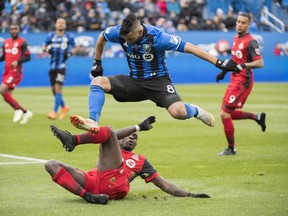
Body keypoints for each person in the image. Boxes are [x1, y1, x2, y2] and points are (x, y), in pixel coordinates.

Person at [69, 14, 239, 134]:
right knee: (97, 82)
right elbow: (101, 37)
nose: (127, 42)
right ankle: (93, 121)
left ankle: (195, 111)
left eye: (130, 39)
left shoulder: (158, 37)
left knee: (178, 113)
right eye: (125, 39)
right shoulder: (119, 32)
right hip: (135, 81)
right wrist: (97, 62)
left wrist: (219, 62)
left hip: (159, 82)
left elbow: (191, 48)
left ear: (140, 32)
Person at [45, 116, 211, 204]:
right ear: (119, 140)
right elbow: (111, 135)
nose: (132, 138)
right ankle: (88, 196)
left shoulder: (140, 160)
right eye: (129, 136)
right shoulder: (109, 143)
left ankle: (73, 140)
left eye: (135, 138)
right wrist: (138, 126)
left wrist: (190, 194)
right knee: (50, 164)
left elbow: (164, 184)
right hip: (94, 182)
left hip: (114, 183)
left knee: (108, 131)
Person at [215, 13, 266, 156]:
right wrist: (223, 72)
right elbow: (233, 61)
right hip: (234, 78)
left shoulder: (251, 42)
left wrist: (243, 66)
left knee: (225, 114)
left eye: (243, 22)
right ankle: (257, 117)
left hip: (243, 81)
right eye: (238, 21)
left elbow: (260, 62)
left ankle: (231, 149)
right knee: (227, 113)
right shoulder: (236, 38)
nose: (239, 24)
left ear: (248, 24)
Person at [42, 18, 77, 120]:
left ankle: (54, 111)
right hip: (52, 66)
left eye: (63, 23)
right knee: (53, 90)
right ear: (55, 24)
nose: (61, 24)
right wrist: (45, 49)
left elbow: (75, 47)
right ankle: (64, 107)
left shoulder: (69, 36)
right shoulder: (51, 35)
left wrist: (70, 53)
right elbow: (44, 45)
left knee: (58, 88)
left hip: (62, 67)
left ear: (65, 25)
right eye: (59, 22)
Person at [0, 23, 33, 124]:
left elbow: (28, 57)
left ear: (19, 30)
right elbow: (3, 57)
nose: (14, 30)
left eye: (16, 29)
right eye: (12, 29)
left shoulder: (23, 42)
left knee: (2, 90)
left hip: (16, 72)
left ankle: (17, 110)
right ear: (9, 31)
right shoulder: (6, 42)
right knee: (6, 95)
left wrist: (17, 62)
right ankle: (25, 112)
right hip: (6, 71)